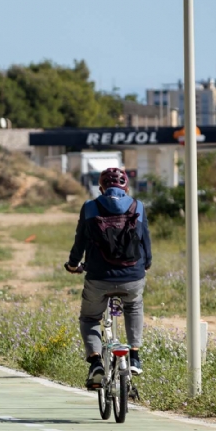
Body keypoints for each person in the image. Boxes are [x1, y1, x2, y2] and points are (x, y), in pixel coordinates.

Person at [64, 167, 151, 390]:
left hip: (98, 278)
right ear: (126, 188)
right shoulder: (137, 206)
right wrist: (144, 266)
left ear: (101, 188)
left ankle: (95, 363)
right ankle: (134, 356)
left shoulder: (90, 207)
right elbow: (146, 246)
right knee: (133, 306)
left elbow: (79, 242)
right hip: (133, 276)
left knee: (91, 318)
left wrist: (73, 265)